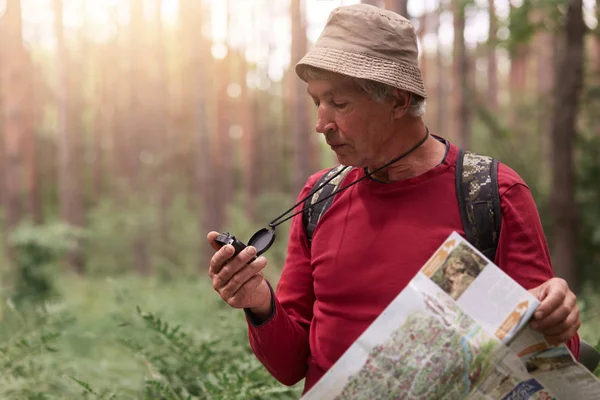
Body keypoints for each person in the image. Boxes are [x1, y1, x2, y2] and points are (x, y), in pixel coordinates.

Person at [206, 3, 581, 395]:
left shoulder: (490, 194)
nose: (321, 123)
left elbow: (548, 363)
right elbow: (289, 365)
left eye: (339, 102)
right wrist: (260, 303)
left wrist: (556, 316)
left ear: (398, 101)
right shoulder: (319, 198)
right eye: (316, 101)